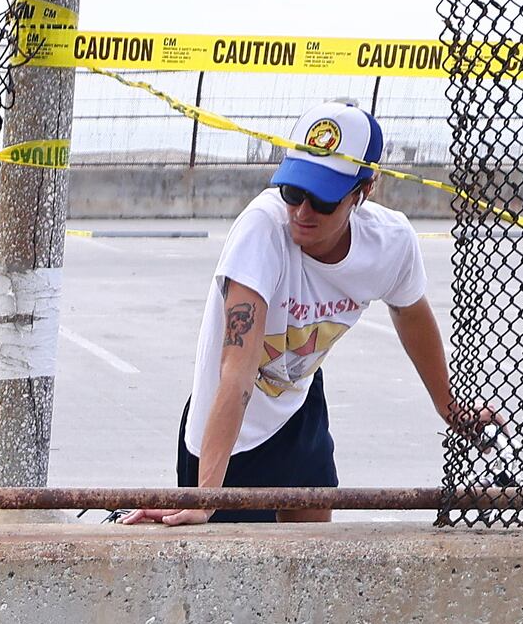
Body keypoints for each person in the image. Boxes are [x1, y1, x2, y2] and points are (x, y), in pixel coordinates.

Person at [131, 122, 499, 526]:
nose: (302, 212)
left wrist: (450, 409)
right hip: (226, 437)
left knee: (314, 550)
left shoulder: (390, 242)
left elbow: (410, 313)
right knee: (228, 560)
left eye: (323, 199)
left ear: (363, 191)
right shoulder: (262, 229)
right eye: (294, 192)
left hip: (297, 408)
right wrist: (206, 498)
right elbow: (237, 372)